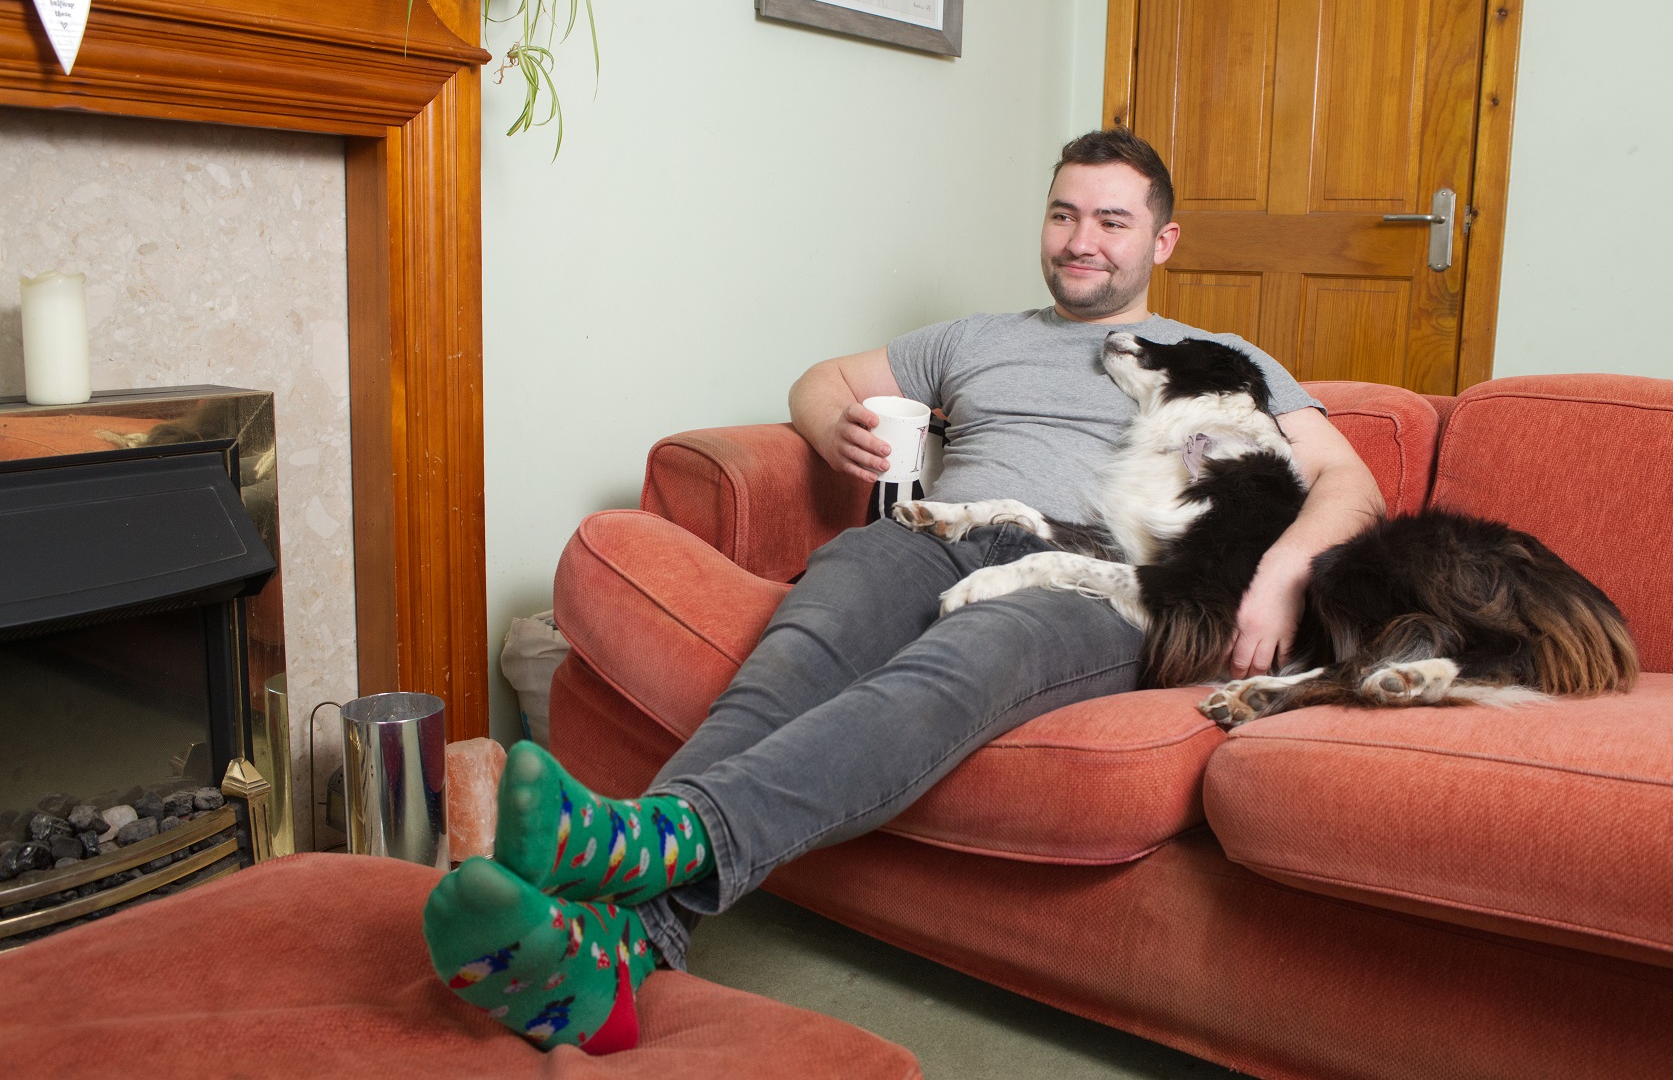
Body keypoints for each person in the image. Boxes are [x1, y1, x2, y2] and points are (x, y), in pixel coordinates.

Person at [421, 129, 1386, 1053]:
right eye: (1063, 214)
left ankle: (648, 855)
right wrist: (829, 423)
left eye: (1111, 220)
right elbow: (822, 378)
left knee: (964, 656)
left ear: (1161, 241)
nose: (1080, 239)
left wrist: (1278, 576)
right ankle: (630, 948)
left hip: (1099, 580)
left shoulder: (1220, 358)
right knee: (816, 622)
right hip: (940, 536)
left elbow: (1350, 484)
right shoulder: (972, 338)